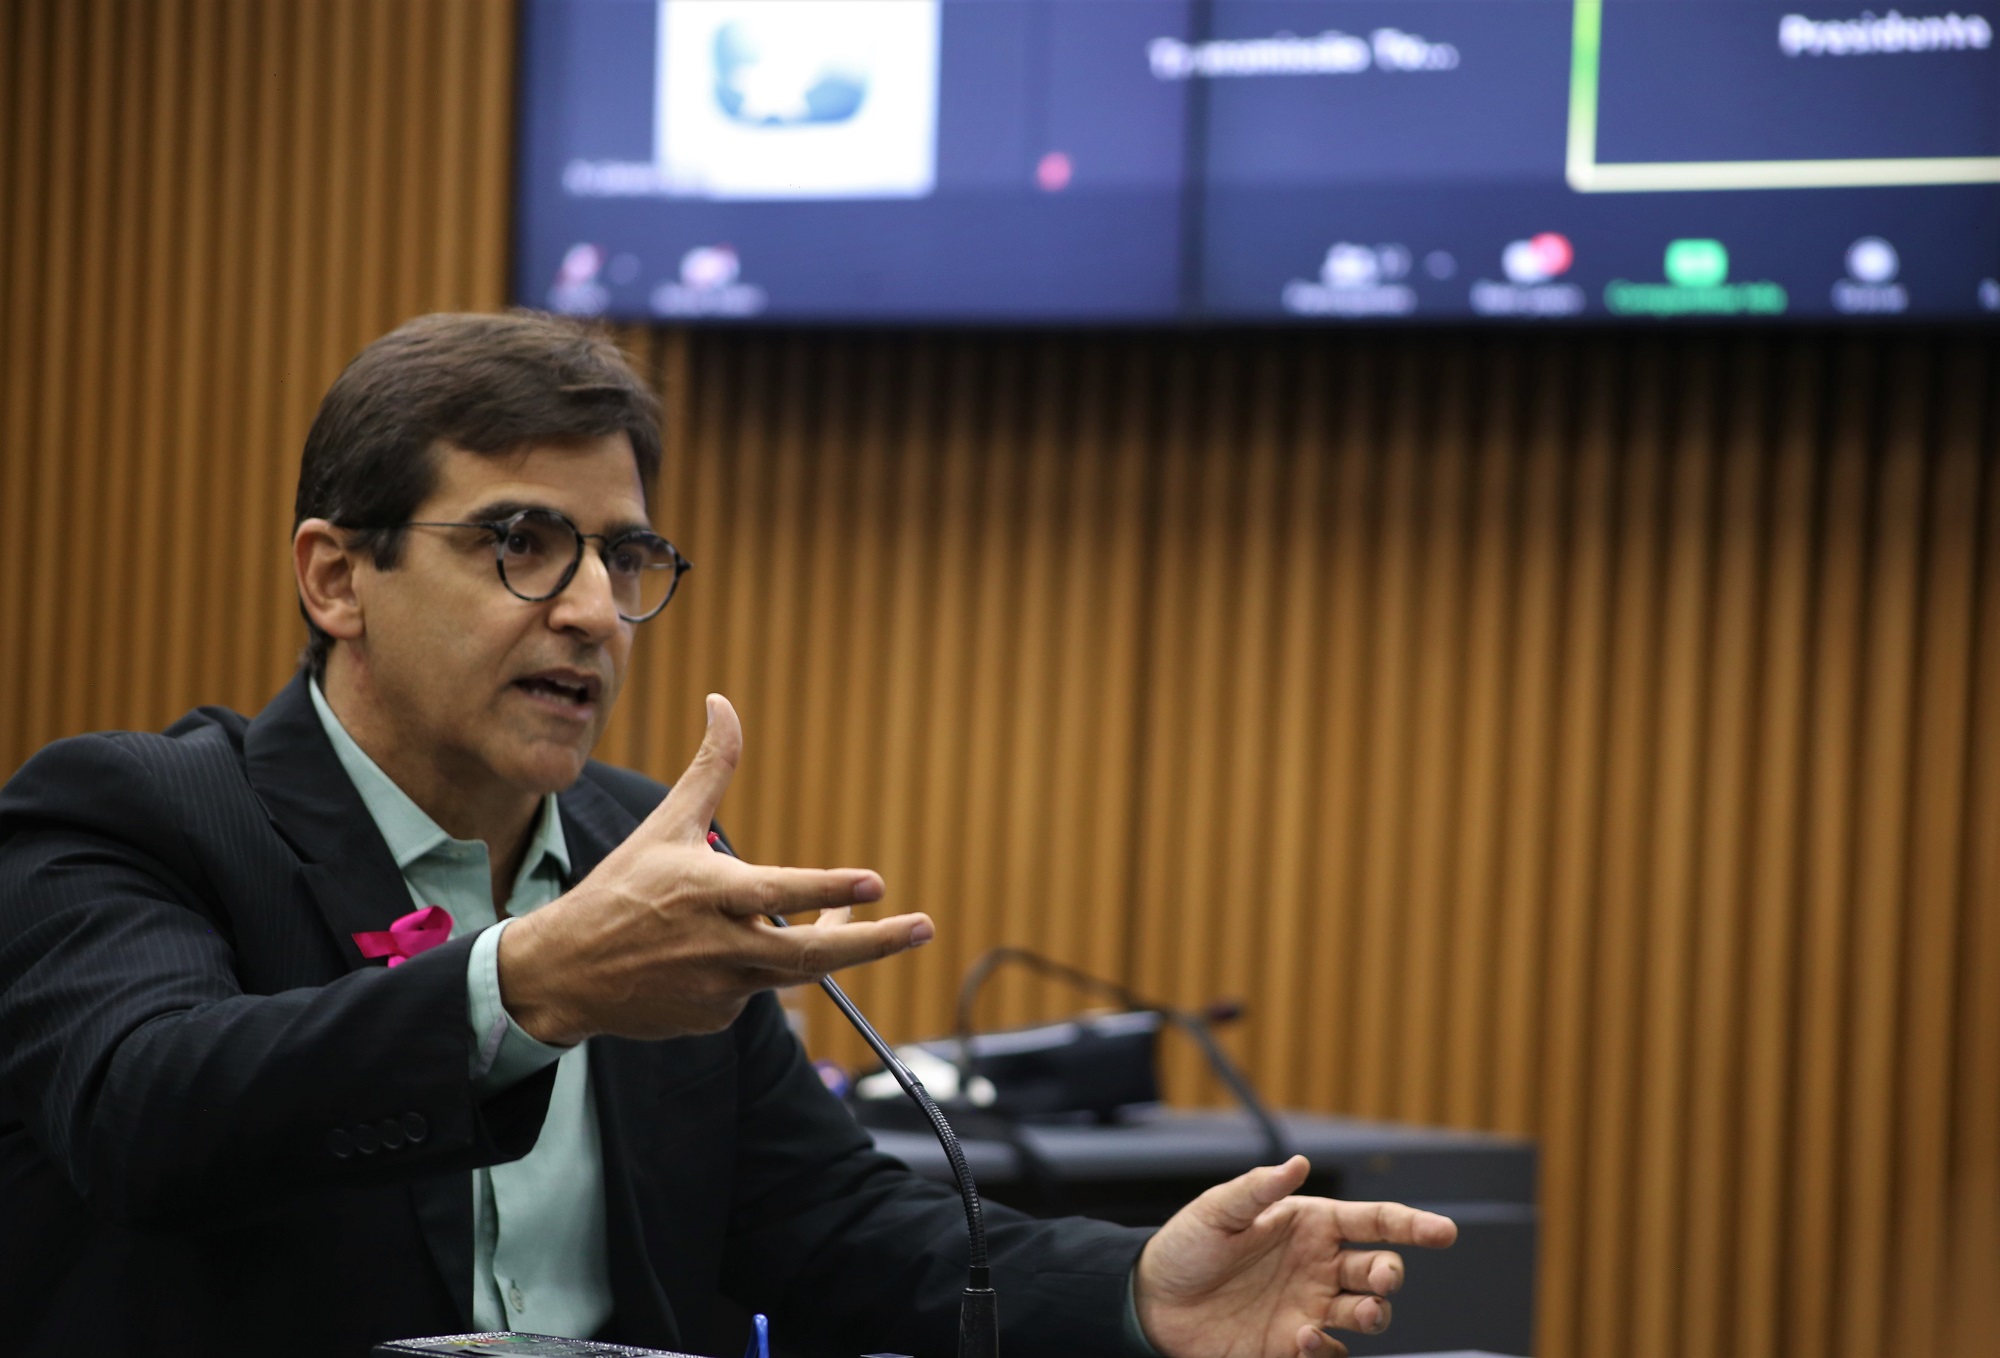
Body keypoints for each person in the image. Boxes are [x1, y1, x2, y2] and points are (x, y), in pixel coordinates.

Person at [0, 312, 1458, 1358]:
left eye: (624, 555)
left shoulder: (634, 849)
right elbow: (147, 1116)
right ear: (336, 577)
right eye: (520, 545)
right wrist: (528, 986)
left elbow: (821, 1218)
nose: (590, 610)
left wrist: (1137, 1289)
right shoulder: (134, 813)